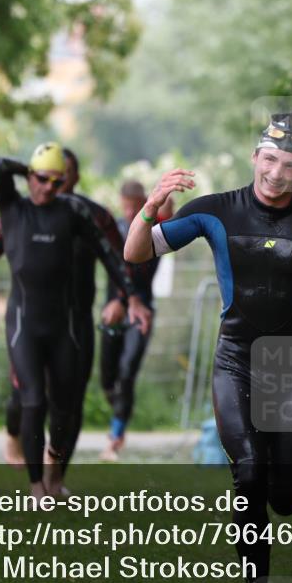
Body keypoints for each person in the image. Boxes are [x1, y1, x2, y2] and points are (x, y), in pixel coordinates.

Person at [124, 113, 292, 583]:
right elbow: (136, 253)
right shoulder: (216, 211)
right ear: (255, 157)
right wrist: (151, 207)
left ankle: (280, 498)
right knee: (249, 472)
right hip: (236, 357)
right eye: (270, 160)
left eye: (289, 165)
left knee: (285, 497)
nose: (276, 173)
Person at [0, 142, 150, 499]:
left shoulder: (84, 213)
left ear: (72, 177)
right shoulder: (17, 210)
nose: (51, 186)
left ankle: (55, 479)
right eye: (44, 177)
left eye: (60, 179)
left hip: (73, 322)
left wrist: (126, 297)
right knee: (28, 400)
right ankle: (33, 481)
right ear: (33, 175)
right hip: (27, 323)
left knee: (67, 401)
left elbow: (116, 255)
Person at [98, 181, 173, 461]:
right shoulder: (113, 227)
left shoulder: (154, 230)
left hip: (142, 311)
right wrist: (116, 300)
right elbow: (113, 266)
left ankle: (115, 436)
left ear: (144, 202)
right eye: (126, 206)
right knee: (108, 379)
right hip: (113, 310)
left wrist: (165, 193)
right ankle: (120, 411)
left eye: (135, 205)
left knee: (127, 372)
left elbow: (170, 210)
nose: (130, 212)